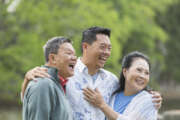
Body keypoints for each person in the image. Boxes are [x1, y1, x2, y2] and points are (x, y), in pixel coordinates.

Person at [21, 27, 162, 120]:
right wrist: (27, 78)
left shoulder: (111, 80)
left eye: (109, 48)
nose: (106, 52)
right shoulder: (66, 72)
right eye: (102, 47)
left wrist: (150, 94)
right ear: (85, 47)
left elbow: (129, 91)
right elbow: (33, 100)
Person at [83, 51, 157, 120]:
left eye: (146, 73)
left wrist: (102, 105)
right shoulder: (113, 95)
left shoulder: (150, 100)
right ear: (125, 72)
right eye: (139, 70)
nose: (142, 76)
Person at [22, 37, 76, 120]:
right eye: (69, 53)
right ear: (53, 58)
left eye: (74, 54)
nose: (74, 58)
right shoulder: (43, 84)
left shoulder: (58, 85)